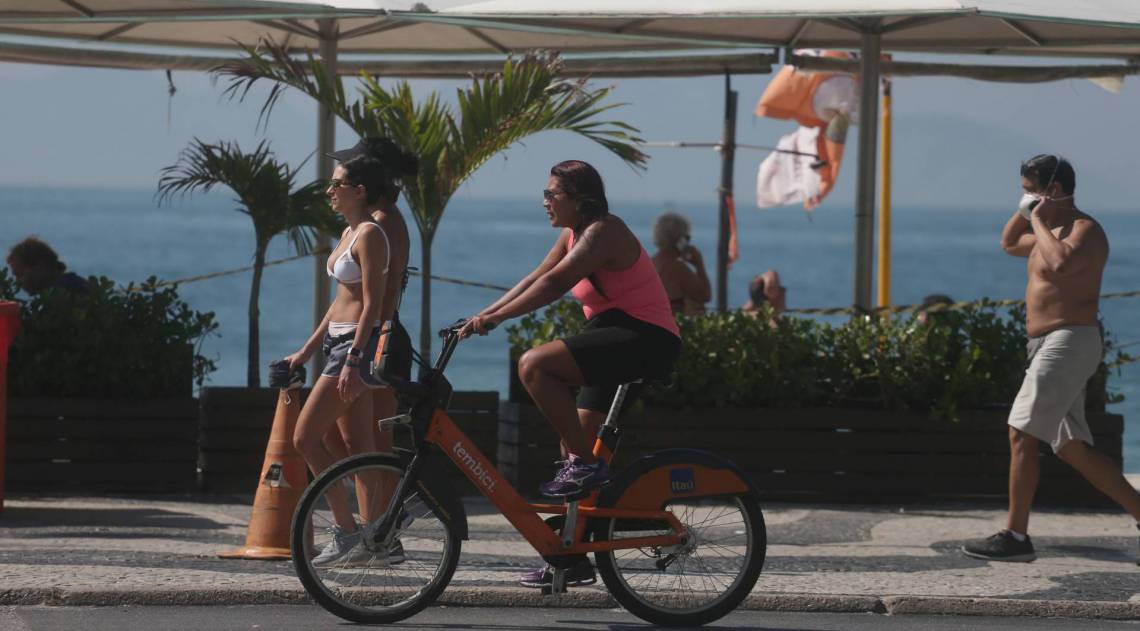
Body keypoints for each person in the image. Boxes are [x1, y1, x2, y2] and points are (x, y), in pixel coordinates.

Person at [460, 160, 682, 588]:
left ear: (581, 198)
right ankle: (573, 557)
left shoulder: (605, 231)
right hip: (613, 333)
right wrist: (483, 315)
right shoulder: (574, 233)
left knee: (534, 364)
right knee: (572, 439)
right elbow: (536, 275)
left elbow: (557, 283)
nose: (544, 201)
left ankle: (586, 467)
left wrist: (499, 319)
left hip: (644, 338)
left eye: (552, 194)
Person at [962, 154, 1140, 563]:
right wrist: (1024, 212)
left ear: (1053, 191)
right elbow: (1008, 244)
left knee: (1021, 432)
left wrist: (1037, 218)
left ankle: (1016, 537)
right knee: (1071, 447)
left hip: (1069, 339)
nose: (1024, 195)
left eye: (1029, 188)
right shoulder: (1048, 230)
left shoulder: (1086, 230)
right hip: (1044, 345)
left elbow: (1061, 263)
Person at [283, 152, 400, 567]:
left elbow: (372, 305)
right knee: (357, 447)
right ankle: (376, 538)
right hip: (337, 345)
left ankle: (350, 533)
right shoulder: (347, 232)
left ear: (359, 190)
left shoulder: (370, 235)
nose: (330, 191)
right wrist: (308, 349)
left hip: (355, 347)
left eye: (337, 184)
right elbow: (339, 302)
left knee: (304, 438)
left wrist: (353, 359)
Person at [321, 138, 416, 506]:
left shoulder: (380, 224)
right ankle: (383, 518)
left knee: (368, 441)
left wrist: (372, 343)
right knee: (360, 439)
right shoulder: (374, 222)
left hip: (378, 334)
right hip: (377, 331)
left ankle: (383, 520)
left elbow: (382, 294)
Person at [650, 211, 710, 315]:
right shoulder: (677, 267)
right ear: (680, 240)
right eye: (687, 238)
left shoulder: (652, 262)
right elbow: (705, 295)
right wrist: (699, 263)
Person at [6, 237, 88, 295]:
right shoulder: (74, 283)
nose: (17, 282)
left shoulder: (60, 295)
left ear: (39, 266)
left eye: (19, 275)